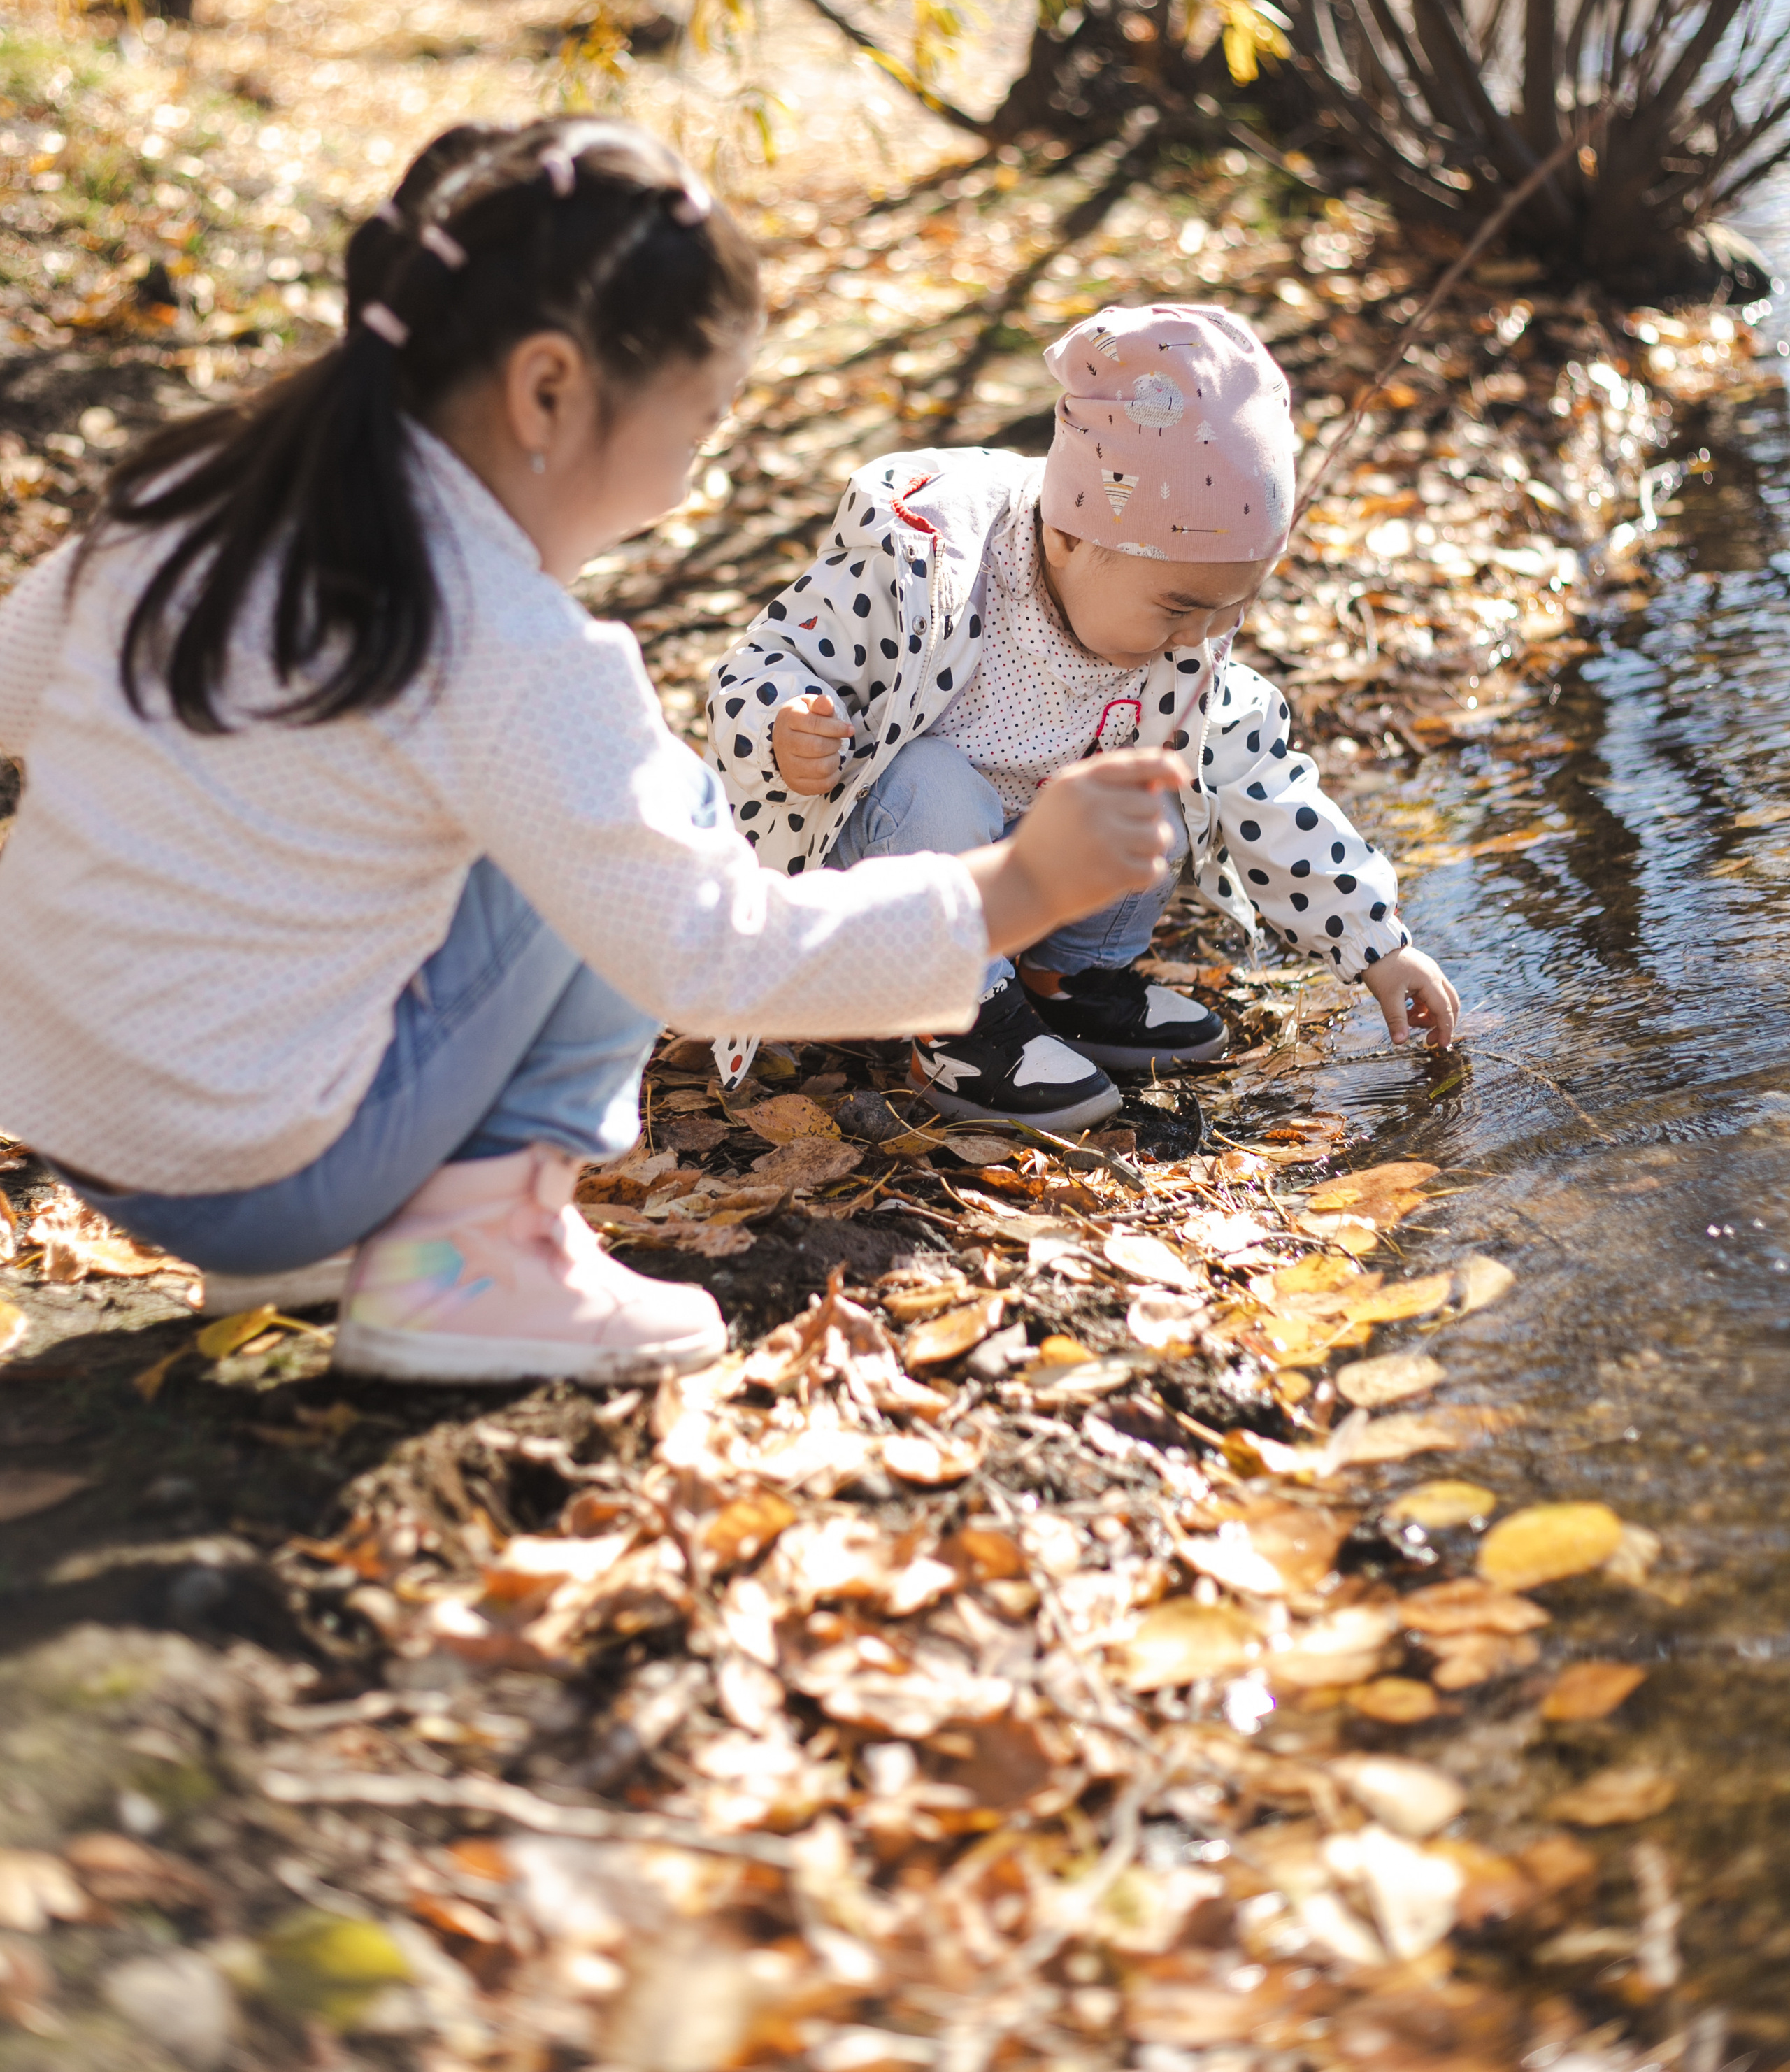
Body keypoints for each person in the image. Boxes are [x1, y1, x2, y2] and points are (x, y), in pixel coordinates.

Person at [0, 122, 1191, 1385]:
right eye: (696, 429)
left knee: (545, 824)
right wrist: (1015, 891)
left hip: (75, 1108)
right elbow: (711, 956)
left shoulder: (189, 504)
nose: (686, 485)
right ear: (549, 391)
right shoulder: (511, 647)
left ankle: (334, 1238)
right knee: (650, 818)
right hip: (257, 1168)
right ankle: (472, 1264)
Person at [707, 302, 1458, 1134]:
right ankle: (959, 1019)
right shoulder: (924, 573)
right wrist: (782, 726)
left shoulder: (1184, 646)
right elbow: (761, 663)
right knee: (933, 784)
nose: (1200, 637)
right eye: (1179, 607)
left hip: (1029, 869)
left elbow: (1264, 785)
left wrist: (1376, 946)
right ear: (1066, 538)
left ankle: (1067, 978)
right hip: (884, 877)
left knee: (1158, 785)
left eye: (1228, 609)